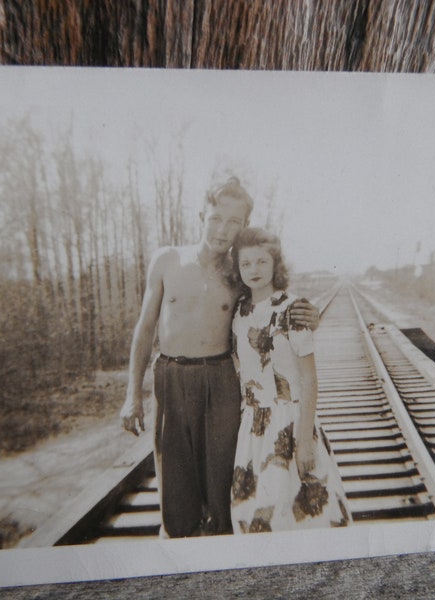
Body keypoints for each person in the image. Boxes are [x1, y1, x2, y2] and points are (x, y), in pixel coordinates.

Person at [120, 176, 319, 538]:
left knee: (223, 484)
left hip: (222, 382)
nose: (223, 229)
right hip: (172, 377)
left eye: (234, 222)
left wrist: (310, 313)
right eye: (215, 218)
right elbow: (144, 329)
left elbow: (274, 300)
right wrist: (132, 395)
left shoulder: (240, 272)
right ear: (201, 215)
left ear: (243, 226)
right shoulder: (167, 260)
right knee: (176, 487)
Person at [230, 227, 351, 533]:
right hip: (253, 430)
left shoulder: (294, 309)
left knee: (303, 518)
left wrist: (305, 442)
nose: (254, 270)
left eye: (261, 261)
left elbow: (309, 379)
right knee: (256, 517)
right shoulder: (238, 314)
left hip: (291, 422)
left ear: (275, 264)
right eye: (246, 264)